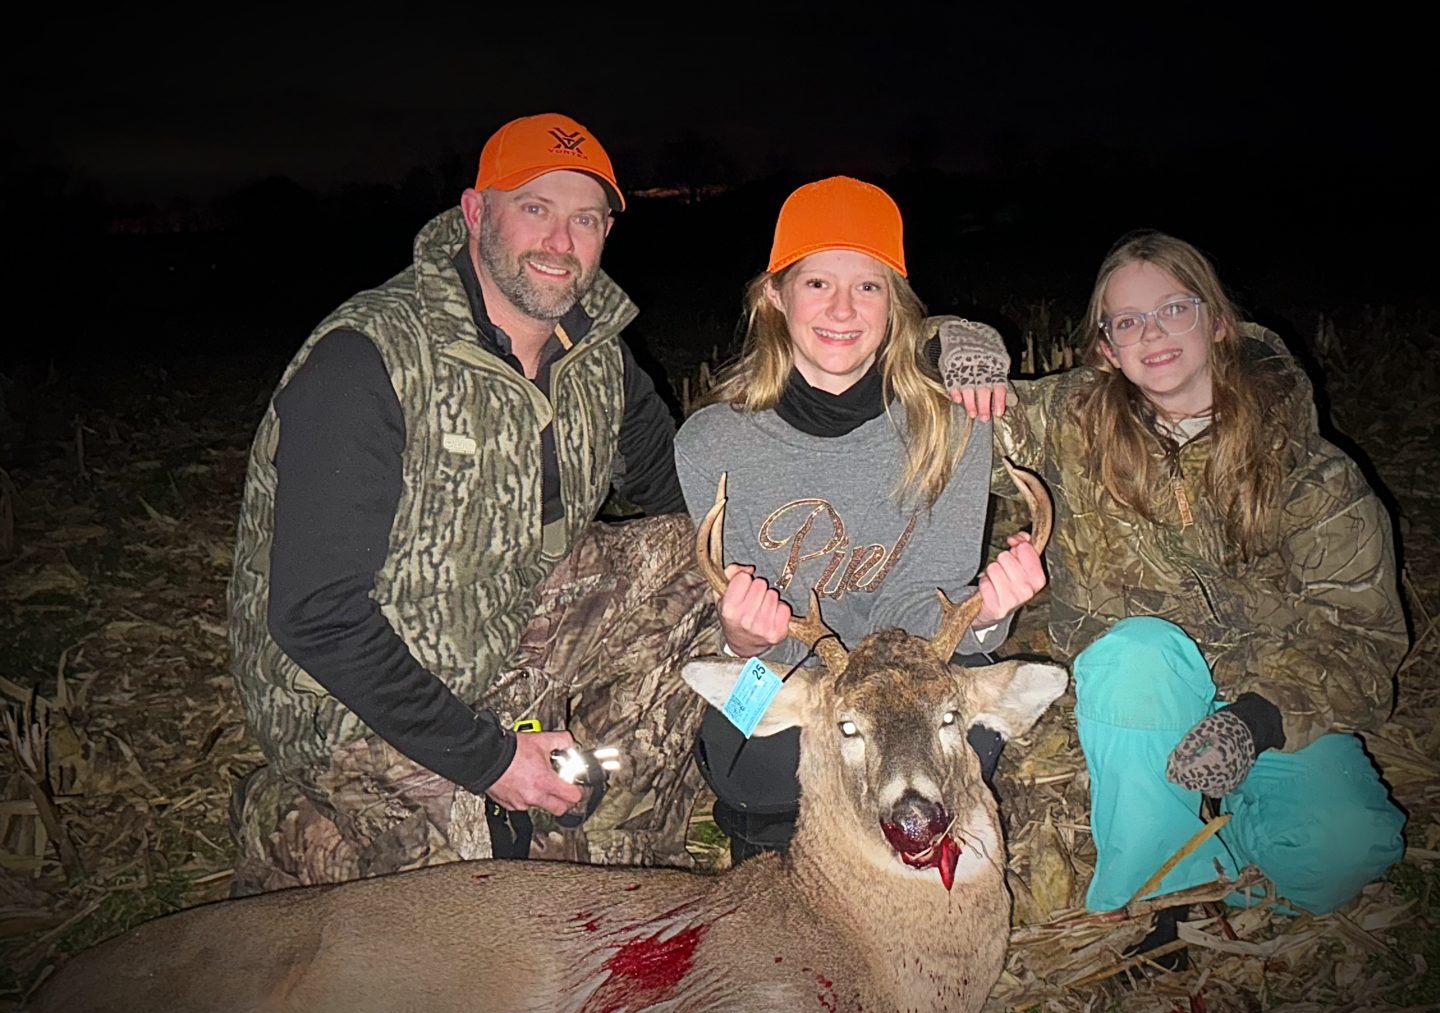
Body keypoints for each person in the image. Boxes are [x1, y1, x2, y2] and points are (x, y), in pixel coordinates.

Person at [226, 112, 717, 894]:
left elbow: (676, 499)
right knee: (467, 898)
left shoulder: (599, 357)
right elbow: (315, 614)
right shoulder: (369, 359)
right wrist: (489, 759)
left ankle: (616, 837)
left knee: (701, 563)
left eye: (585, 219)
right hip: (351, 694)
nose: (560, 242)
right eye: (535, 209)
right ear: (475, 212)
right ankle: (286, 816)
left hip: (506, 633)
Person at [940, 230, 1407, 921]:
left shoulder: (1313, 473)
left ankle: (1209, 842)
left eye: (1173, 309)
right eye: (1127, 321)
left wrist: (1257, 720)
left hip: (1267, 701)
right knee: (1137, 651)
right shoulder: (1069, 423)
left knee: (1344, 852)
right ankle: (1169, 890)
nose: (1152, 333)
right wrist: (947, 343)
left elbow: (1366, 638)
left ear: (1217, 322)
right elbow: (930, 415)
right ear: (1107, 347)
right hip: (1141, 699)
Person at [673, 176, 1044, 864]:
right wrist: (741, 642)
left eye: (868, 286)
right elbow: (759, 640)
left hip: (905, 671)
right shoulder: (711, 443)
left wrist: (988, 618)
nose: (842, 309)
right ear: (774, 296)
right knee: (746, 764)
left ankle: (912, 860)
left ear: (895, 305)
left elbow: (925, 603)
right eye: (817, 283)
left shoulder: (953, 427)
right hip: (783, 670)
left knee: (969, 736)